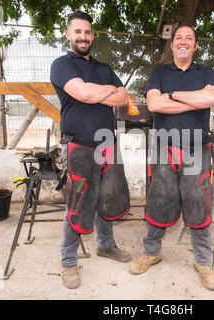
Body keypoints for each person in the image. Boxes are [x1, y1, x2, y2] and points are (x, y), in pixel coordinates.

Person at [128, 23, 214, 290]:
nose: (183, 41)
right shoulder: (159, 71)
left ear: (195, 44)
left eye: (188, 38)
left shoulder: (206, 71)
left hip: (198, 147)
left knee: (198, 202)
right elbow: (155, 104)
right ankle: (151, 251)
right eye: (178, 38)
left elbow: (213, 98)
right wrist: (195, 99)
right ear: (172, 45)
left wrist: (173, 96)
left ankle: (204, 262)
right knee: (159, 198)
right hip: (164, 147)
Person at [50, 11, 131, 289]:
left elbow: (124, 98)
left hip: (107, 142)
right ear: (68, 34)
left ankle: (106, 245)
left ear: (92, 35)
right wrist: (108, 90)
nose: (83, 37)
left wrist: (100, 91)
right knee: (78, 202)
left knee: (107, 197)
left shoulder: (104, 67)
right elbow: (83, 94)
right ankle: (68, 261)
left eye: (88, 32)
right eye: (78, 32)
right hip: (77, 144)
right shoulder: (61, 65)